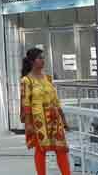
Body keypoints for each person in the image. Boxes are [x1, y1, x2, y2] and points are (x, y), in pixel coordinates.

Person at [20, 47, 71, 175]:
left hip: (54, 118)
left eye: (43, 58)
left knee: (61, 148)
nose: (43, 60)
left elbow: (56, 100)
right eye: (40, 58)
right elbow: (26, 103)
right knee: (41, 149)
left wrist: (63, 119)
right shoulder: (27, 80)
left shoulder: (48, 78)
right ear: (32, 61)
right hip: (39, 120)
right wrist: (28, 124)